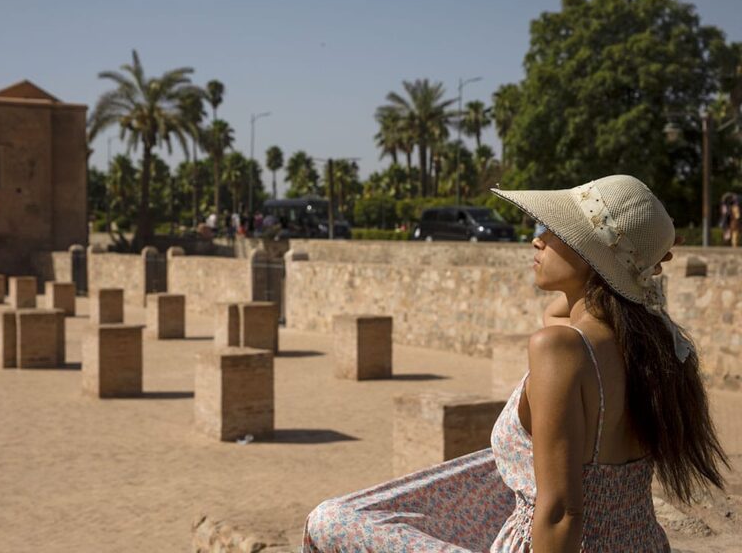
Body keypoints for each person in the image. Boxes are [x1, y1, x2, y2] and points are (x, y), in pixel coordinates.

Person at [302, 174, 728, 552]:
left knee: (331, 520)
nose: (536, 239)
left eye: (554, 228)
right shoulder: (655, 347)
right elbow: (568, 312)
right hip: (643, 543)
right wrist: (635, 267)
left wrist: (633, 265)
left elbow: (562, 512)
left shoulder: (560, 350)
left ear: (594, 255)